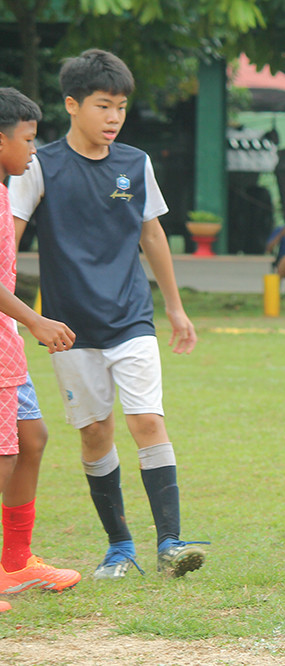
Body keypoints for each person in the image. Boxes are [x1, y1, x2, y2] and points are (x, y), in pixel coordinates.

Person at [7, 49, 207, 581]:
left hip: (130, 318)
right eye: (103, 106)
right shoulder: (39, 164)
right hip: (69, 329)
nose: (114, 117)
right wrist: (21, 314)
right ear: (72, 105)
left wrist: (174, 306)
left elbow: (152, 234)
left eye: (120, 106)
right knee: (95, 434)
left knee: (147, 420)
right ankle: (120, 547)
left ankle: (170, 542)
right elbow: (10, 239)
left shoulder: (134, 163)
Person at [0, 87, 80, 612]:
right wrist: (35, 320)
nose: (34, 149)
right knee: (4, 453)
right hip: (6, 340)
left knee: (31, 438)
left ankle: (16, 564)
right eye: (27, 139)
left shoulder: (4, 192)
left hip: (6, 347)